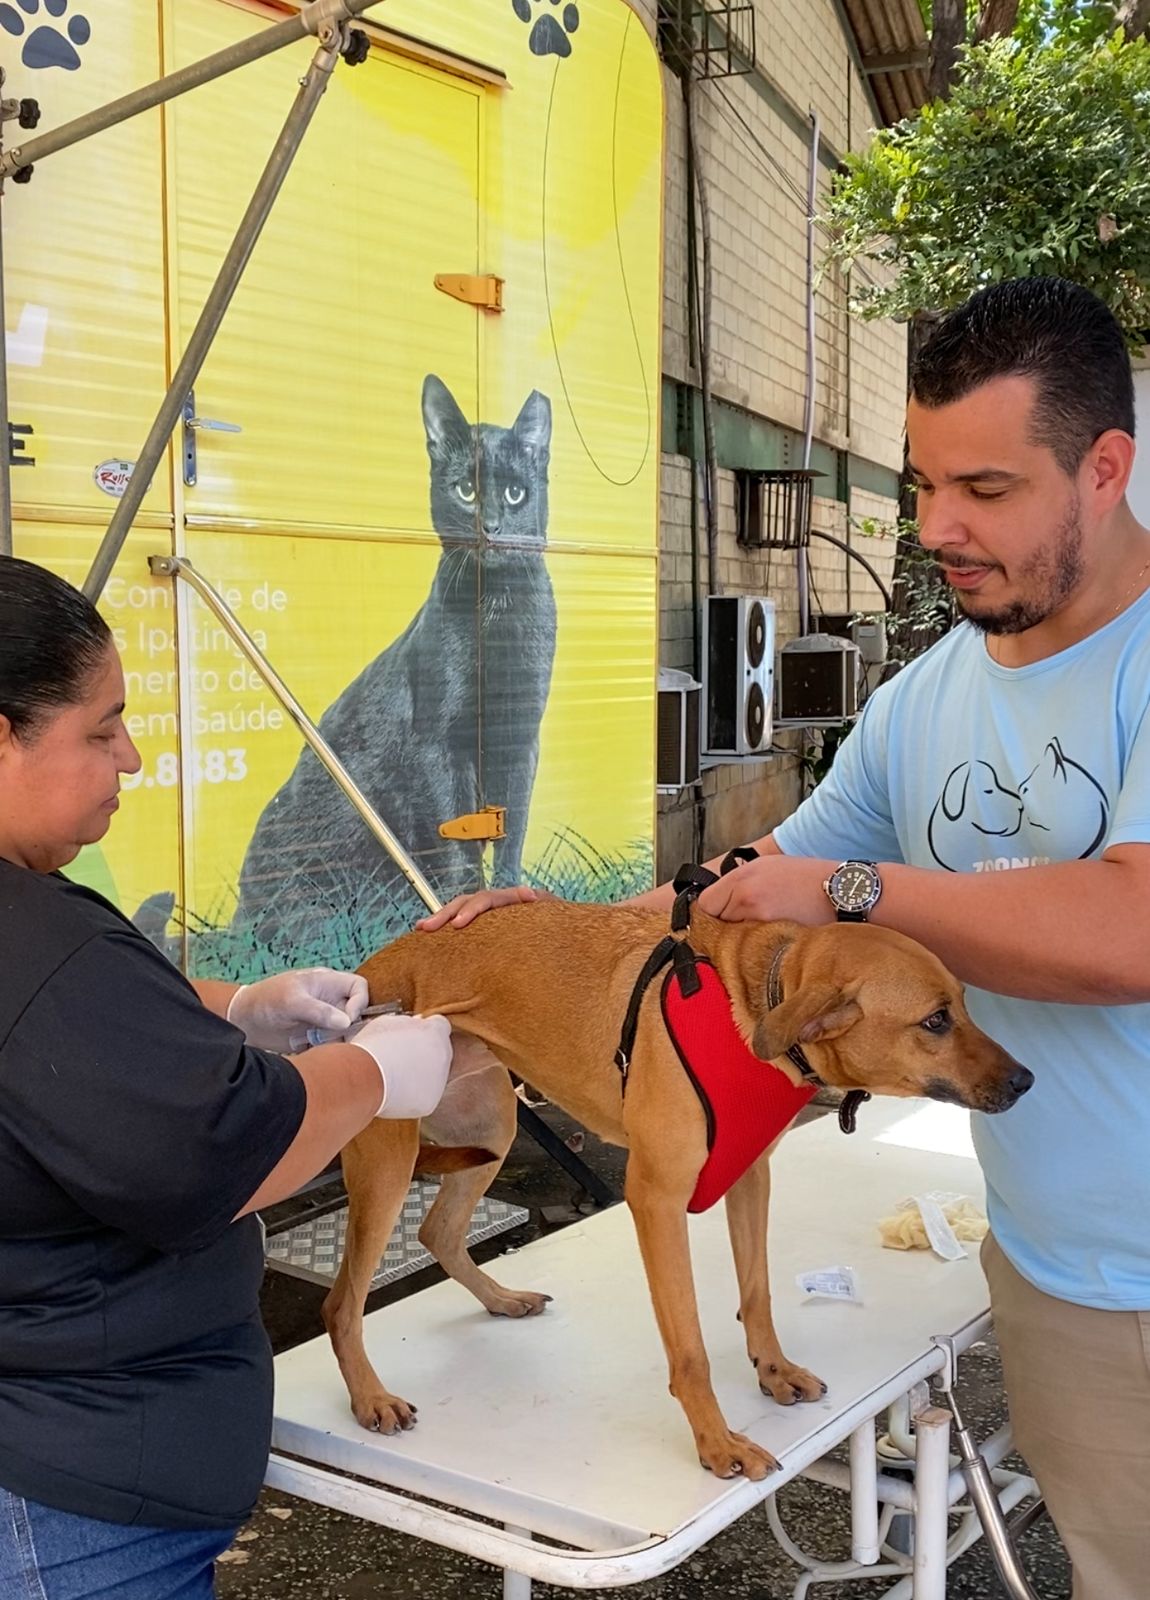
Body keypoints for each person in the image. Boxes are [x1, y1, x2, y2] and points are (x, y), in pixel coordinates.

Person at [423, 277, 1150, 1600]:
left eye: (982, 491)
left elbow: (1130, 926)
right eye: (919, 483)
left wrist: (862, 893)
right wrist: (578, 927)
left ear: (1103, 469)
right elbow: (758, 873)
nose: (935, 528)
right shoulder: (928, 694)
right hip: (1054, 1268)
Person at [0, 555, 455, 1599]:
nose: (134, 755)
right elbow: (211, 1155)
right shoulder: (33, 941)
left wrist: (238, 1006)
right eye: (100, 728)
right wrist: (370, 1073)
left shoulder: (39, 938)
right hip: (71, 1513)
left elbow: (67, 1033)